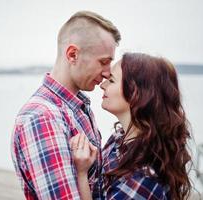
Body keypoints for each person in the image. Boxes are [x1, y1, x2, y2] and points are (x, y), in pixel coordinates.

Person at [11, 11, 121, 199]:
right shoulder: (42, 118)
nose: (106, 73)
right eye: (103, 62)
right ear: (72, 54)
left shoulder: (76, 106)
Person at [70, 52, 193, 200]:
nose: (102, 85)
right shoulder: (119, 138)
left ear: (137, 93)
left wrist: (81, 173)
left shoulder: (144, 177)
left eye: (111, 80)